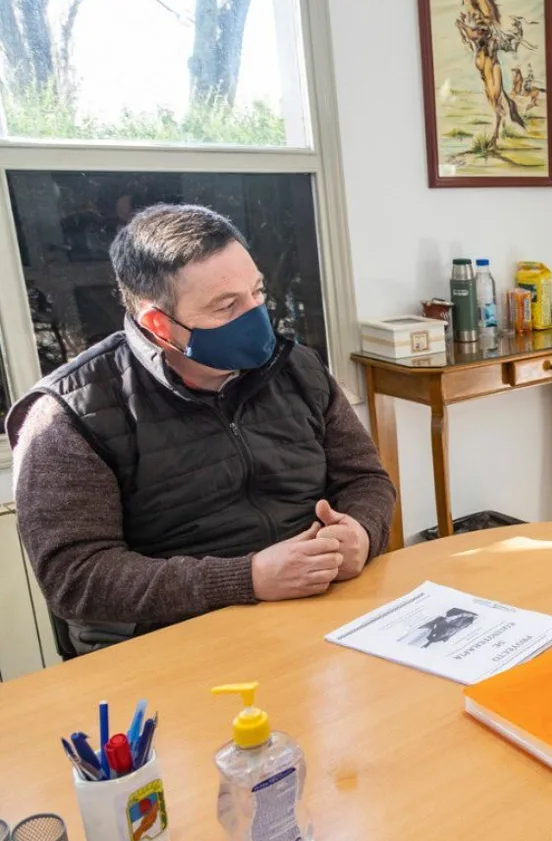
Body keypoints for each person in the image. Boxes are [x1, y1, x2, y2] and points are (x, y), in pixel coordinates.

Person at [5, 204, 397, 656]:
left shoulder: (296, 369)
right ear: (159, 324)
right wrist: (247, 578)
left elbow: (365, 478)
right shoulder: (66, 415)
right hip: (171, 643)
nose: (256, 317)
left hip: (319, 615)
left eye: (257, 293)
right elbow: (77, 578)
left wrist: (361, 533)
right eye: (227, 306)